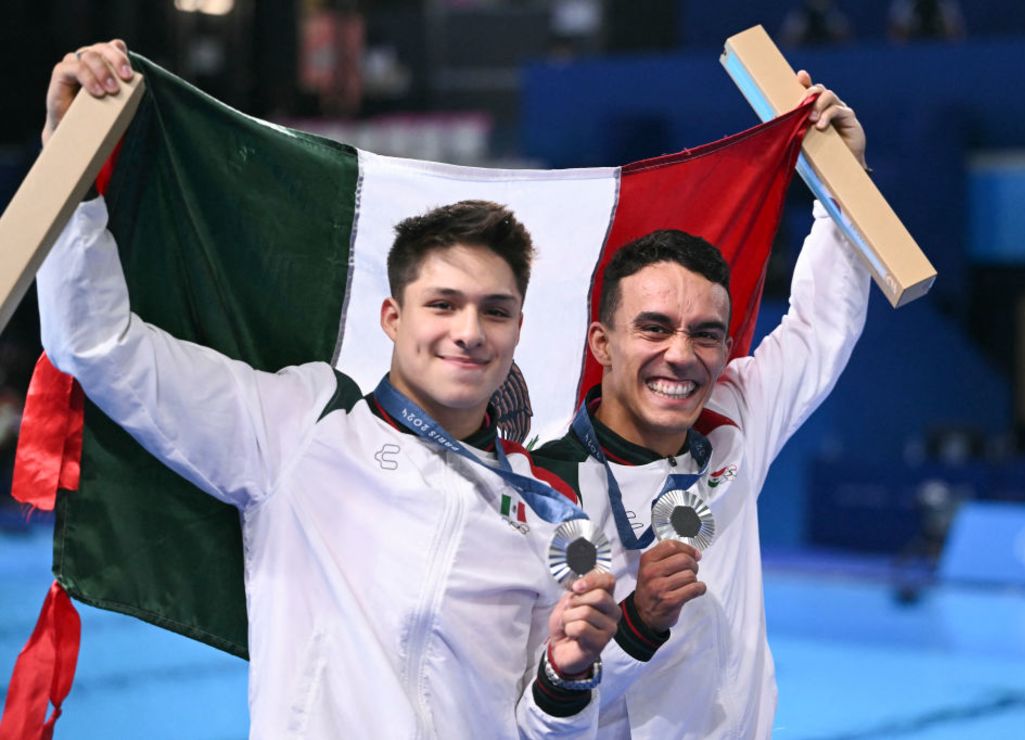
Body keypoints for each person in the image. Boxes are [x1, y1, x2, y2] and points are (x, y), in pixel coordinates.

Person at [38, 40, 620, 738]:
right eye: (443, 304)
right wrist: (64, 168)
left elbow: (542, 730)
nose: (469, 331)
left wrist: (564, 678)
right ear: (393, 318)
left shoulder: (549, 512)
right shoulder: (300, 427)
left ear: (518, 328)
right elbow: (97, 346)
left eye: (494, 310)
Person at [530, 73, 872, 738]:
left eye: (706, 334)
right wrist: (638, 625)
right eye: (654, 328)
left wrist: (842, 183)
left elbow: (818, 327)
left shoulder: (733, 422)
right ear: (601, 342)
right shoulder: (544, 491)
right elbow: (532, 716)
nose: (682, 355)